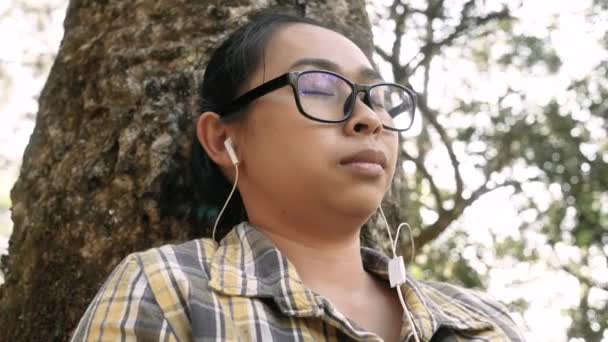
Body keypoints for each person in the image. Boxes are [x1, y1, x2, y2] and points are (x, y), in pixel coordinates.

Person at [71, 9, 525, 342]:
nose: (368, 117)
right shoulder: (167, 291)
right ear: (222, 140)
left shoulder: (484, 321)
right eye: (319, 88)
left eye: (378, 97)